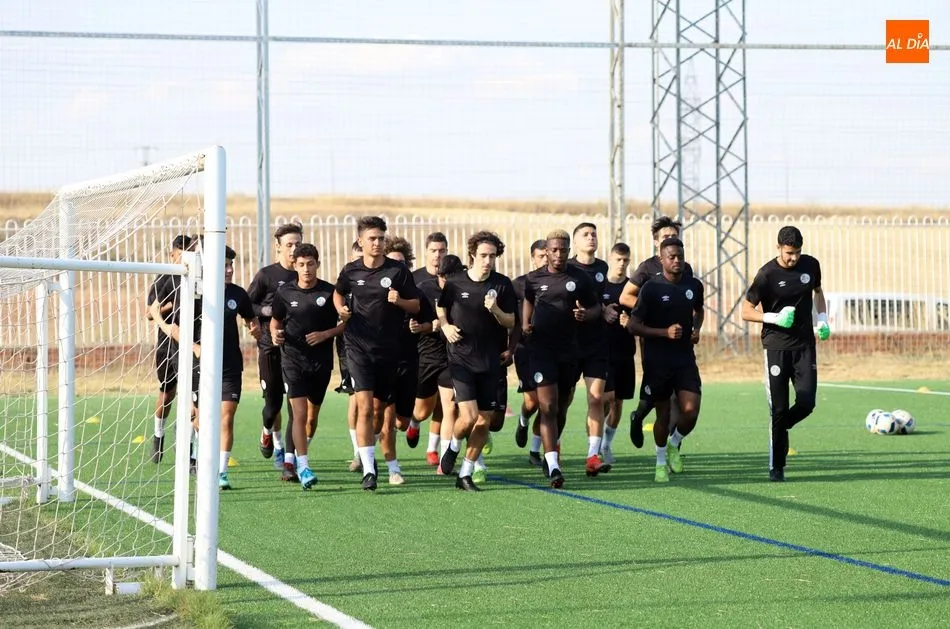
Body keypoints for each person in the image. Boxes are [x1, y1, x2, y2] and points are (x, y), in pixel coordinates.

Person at [151, 245, 259, 490]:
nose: (229, 270)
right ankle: (193, 454)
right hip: (199, 365)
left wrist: (254, 327)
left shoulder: (238, 294)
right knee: (199, 419)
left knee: (226, 417)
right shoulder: (194, 295)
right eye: (224, 266)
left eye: (231, 265)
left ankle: (220, 473)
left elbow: (249, 317)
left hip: (230, 364)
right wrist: (195, 347)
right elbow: (175, 327)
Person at [334, 216, 420, 491]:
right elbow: (338, 294)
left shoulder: (398, 272)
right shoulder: (350, 271)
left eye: (381, 238)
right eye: (372, 238)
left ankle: (368, 449)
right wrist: (341, 309)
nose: (377, 243)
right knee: (365, 406)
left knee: (380, 412)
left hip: (388, 350)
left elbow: (417, 305)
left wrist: (400, 301)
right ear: (361, 241)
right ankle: (369, 470)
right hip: (357, 347)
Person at [741, 225, 829, 482]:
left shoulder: (811, 266)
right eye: (789, 252)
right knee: (778, 409)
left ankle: (783, 426)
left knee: (806, 402)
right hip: (776, 348)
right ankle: (776, 466)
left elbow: (818, 293)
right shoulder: (767, 274)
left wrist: (822, 317)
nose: (793, 258)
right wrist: (773, 317)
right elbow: (746, 311)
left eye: (797, 252)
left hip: (804, 347)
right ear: (778, 247)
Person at [437, 231, 516, 491]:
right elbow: (441, 307)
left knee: (484, 421)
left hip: (490, 361)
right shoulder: (456, 282)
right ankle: (453, 445)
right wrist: (446, 326)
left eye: (492, 256)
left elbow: (511, 322)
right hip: (461, 359)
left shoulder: (502, 284)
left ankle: (466, 473)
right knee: (469, 417)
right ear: (473, 254)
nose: (487, 261)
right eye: (483, 255)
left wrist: (495, 310)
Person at [523, 229, 601, 488]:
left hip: (569, 351)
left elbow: (595, 307)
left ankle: (550, 450)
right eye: (553, 250)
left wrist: (584, 315)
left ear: (569, 250)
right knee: (547, 406)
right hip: (541, 350)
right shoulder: (534, 278)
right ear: (546, 250)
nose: (558, 254)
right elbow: (528, 300)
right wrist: (526, 323)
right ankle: (554, 466)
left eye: (563, 250)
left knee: (562, 406)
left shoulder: (578, 277)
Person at [625, 237, 704, 483]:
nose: (677, 260)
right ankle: (660, 462)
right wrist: (663, 333)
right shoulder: (651, 288)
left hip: (684, 359)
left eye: (680, 256)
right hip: (657, 361)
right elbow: (633, 326)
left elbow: (699, 310)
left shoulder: (694, 285)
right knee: (663, 415)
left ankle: (674, 444)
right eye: (672, 257)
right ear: (662, 259)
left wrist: (696, 329)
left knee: (691, 411)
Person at [270, 243, 344, 490]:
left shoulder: (330, 291)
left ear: (317, 264)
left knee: (311, 417)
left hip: (321, 363)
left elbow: (347, 323)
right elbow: (275, 321)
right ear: (294, 266)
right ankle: (303, 466)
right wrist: (275, 335)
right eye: (301, 265)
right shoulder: (285, 293)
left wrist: (326, 335)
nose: (306, 269)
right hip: (292, 360)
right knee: (299, 414)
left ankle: (298, 455)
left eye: (310, 264)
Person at [620, 216, 695, 448]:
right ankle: (639, 416)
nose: (670, 239)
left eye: (674, 236)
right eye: (665, 237)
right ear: (656, 242)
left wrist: (694, 326)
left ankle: (674, 445)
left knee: (677, 394)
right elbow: (625, 296)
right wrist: (653, 311)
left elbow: (690, 300)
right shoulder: (647, 268)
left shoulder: (684, 268)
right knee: (656, 392)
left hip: (680, 341)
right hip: (654, 338)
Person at [247, 223, 303, 471]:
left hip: (296, 349)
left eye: (298, 244)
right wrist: (264, 313)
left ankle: (288, 458)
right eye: (289, 245)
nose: (294, 249)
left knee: (294, 404)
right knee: (272, 405)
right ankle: (267, 431)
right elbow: (247, 305)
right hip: (269, 346)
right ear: (278, 247)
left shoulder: (304, 274)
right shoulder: (267, 275)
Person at [381, 235, 433, 485]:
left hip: (410, 361)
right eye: (391, 262)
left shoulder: (417, 294)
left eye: (401, 263)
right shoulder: (375, 292)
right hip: (382, 361)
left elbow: (433, 322)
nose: (396, 268)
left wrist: (419, 327)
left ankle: (411, 422)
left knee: (401, 422)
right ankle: (392, 469)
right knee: (387, 419)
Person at [568, 222, 617, 477]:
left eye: (594, 234)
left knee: (597, 397)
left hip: (596, 343)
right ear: (575, 243)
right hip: (569, 344)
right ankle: (550, 449)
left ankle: (592, 456)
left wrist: (603, 309)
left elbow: (599, 299)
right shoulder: (566, 268)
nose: (591, 238)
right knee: (560, 403)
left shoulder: (602, 268)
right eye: (585, 234)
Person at [146, 234, 193, 464]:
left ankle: (189, 445)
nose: (180, 259)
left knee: (195, 395)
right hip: (168, 342)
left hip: (193, 341)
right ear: (172, 255)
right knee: (168, 393)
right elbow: (148, 313)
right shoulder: (165, 277)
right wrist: (171, 305)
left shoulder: (198, 276)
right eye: (178, 255)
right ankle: (158, 434)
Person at [408, 232, 449, 465]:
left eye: (442, 250)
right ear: (426, 252)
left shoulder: (454, 279)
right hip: (424, 351)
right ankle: (414, 422)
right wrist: (424, 326)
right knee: (423, 410)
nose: (438, 255)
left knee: (446, 403)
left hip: (450, 352)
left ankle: (433, 449)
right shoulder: (417, 281)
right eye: (434, 250)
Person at [511, 240, 549, 466]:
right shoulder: (518, 284)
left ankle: (535, 451)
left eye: (548, 255)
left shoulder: (558, 281)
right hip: (525, 349)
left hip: (550, 349)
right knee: (533, 401)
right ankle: (524, 419)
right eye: (541, 255)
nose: (545, 259)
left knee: (547, 402)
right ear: (532, 258)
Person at [601, 242, 635, 466]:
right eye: (618, 260)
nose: (621, 264)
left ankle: (606, 444)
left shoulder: (632, 289)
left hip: (625, 353)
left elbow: (642, 320)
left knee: (619, 402)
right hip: (602, 353)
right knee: (604, 399)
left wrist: (629, 322)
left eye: (625, 260)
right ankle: (594, 445)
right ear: (610, 259)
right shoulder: (599, 285)